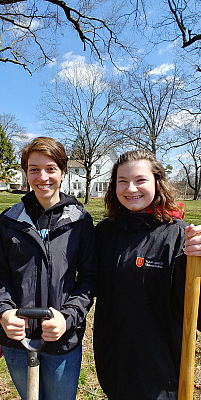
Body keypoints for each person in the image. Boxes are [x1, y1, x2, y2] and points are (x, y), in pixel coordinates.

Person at [0, 136, 96, 400]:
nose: (42, 177)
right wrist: (4, 312)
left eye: (50, 168)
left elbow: (89, 280)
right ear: (26, 173)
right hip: (18, 339)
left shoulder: (79, 221)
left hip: (62, 339)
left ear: (62, 172)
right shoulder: (10, 220)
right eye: (33, 169)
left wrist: (68, 317)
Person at [93, 149, 201, 400]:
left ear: (157, 182)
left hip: (161, 374)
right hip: (114, 365)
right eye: (122, 181)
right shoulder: (105, 233)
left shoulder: (180, 238)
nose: (131, 189)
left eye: (140, 180)